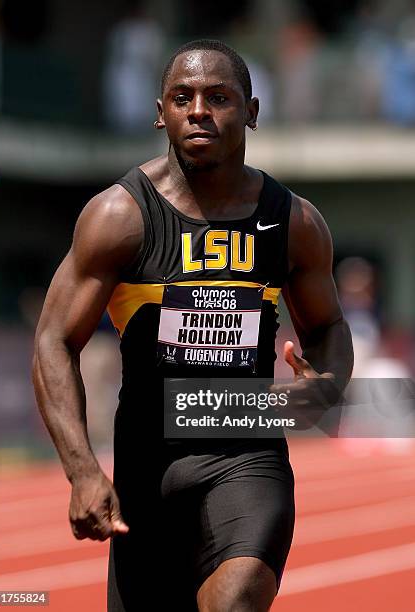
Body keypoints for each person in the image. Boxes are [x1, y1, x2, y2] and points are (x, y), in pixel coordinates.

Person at [32, 39, 353, 611]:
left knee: (237, 601)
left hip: (247, 459)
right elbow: (54, 340)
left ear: (252, 111)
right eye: (182, 97)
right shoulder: (119, 217)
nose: (198, 110)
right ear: (161, 112)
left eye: (219, 97)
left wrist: (324, 384)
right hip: (146, 472)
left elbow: (328, 324)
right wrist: (82, 470)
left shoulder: (295, 222)